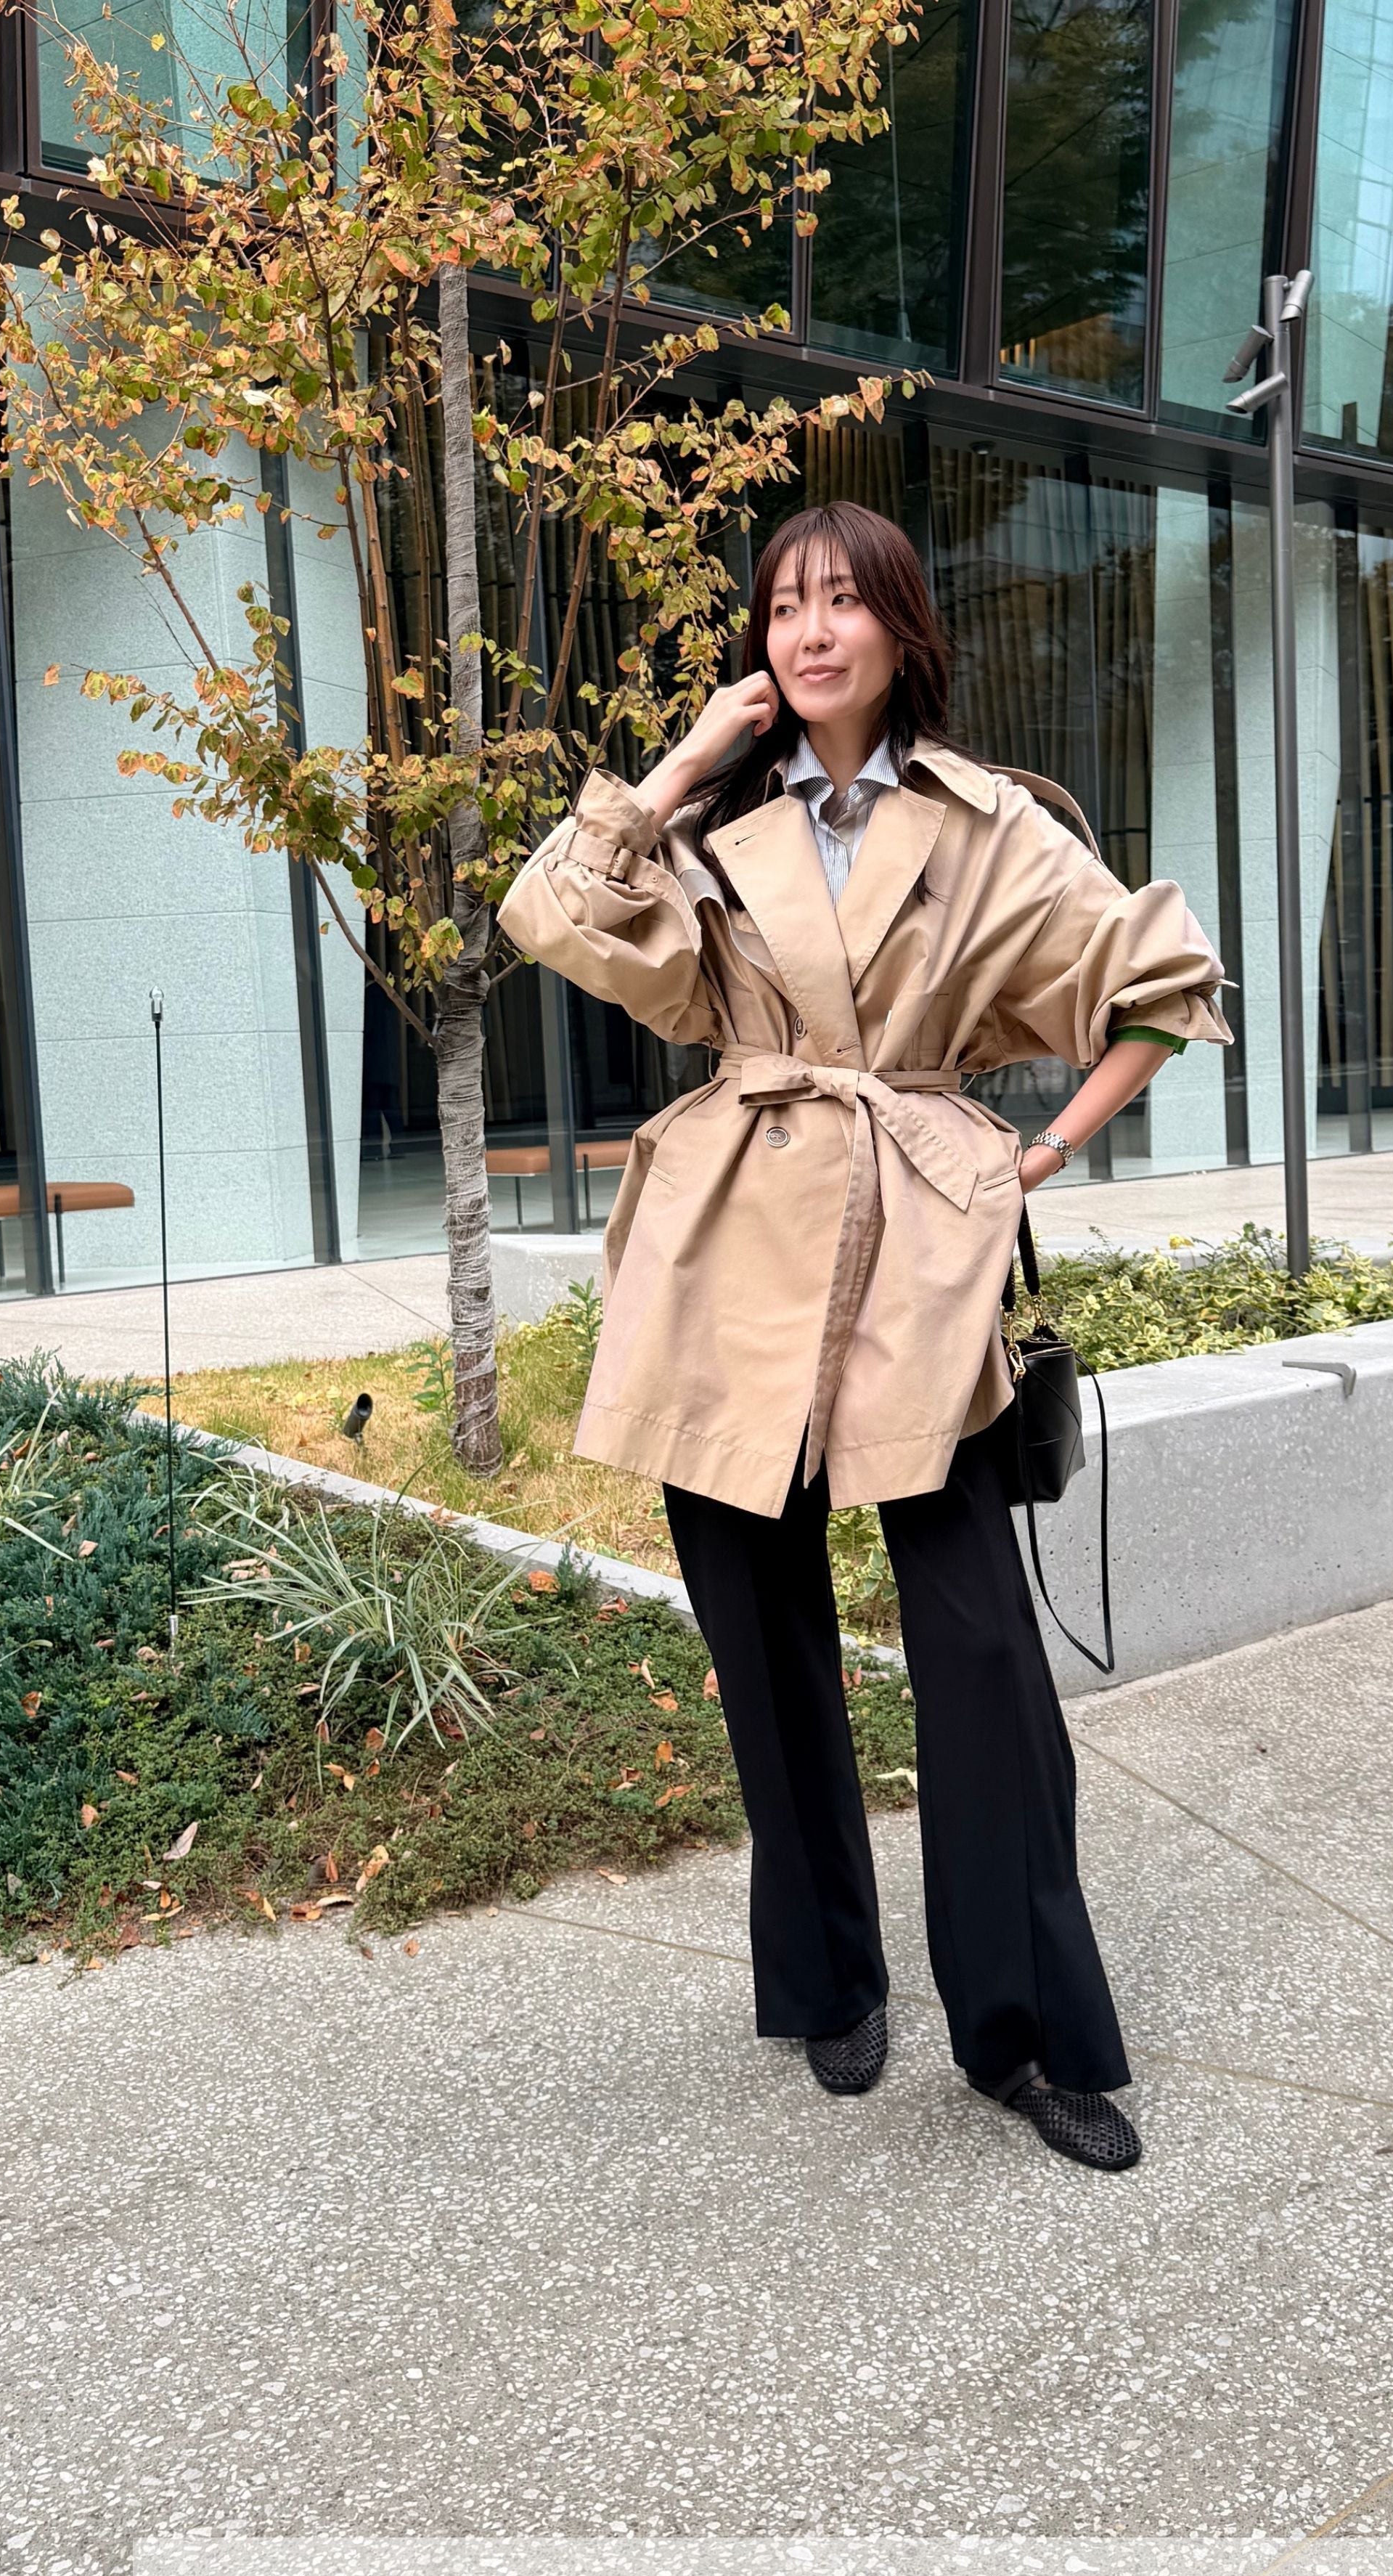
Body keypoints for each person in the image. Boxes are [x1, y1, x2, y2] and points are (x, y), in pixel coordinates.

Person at [501, 500, 1232, 2171]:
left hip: (914, 1242)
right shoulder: (718, 826)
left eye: (843, 601)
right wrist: (688, 758)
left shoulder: (992, 823)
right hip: (727, 1246)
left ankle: (1023, 2034)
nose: (811, 630)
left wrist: (1040, 1153)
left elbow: (1161, 981)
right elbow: (551, 915)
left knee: (979, 1659)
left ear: (903, 626)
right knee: (762, 1648)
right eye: (784, 607)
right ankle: (827, 1977)